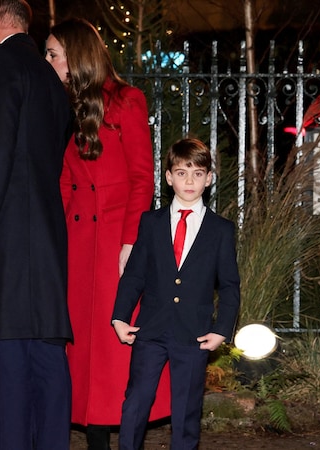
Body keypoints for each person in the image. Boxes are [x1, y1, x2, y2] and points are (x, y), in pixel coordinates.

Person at [45, 18, 171, 449]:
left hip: (117, 238)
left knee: (116, 347)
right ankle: (94, 436)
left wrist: (132, 243)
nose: (48, 61)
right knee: (81, 348)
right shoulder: (61, 102)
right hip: (77, 241)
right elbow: (62, 177)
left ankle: (125, 433)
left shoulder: (127, 100)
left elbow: (142, 177)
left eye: (53, 53)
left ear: (76, 56)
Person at [0, 1, 74, 449]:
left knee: (8, 361)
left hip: (8, 234)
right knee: (46, 358)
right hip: (46, 234)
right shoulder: (49, 76)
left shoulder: (1, 60)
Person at [111, 138, 241, 450]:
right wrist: (119, 316)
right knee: (135, 404)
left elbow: (229, 285)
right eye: (182, 173)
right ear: (169, 177)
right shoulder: (151, 222)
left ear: (209, 179)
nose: (189, 181)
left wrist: (221, 330)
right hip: (150, 330)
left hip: (194, 334)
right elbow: (134, 276)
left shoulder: (220, 230)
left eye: (198, 174)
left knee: (186, 411)